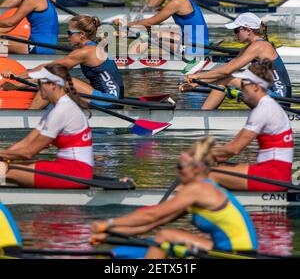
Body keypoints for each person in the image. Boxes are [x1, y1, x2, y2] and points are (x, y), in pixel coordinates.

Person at [90, 137, 258, 259]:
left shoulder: (199, 189)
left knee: (166, 235)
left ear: (196, 168)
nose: (177, 172)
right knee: (162, 236)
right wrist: (111, 234)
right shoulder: (200, 191)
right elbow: (154, 223)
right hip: (224, 250)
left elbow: (152, 214)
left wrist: (110, 223)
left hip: (236, 255)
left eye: (180, 167)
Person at [0, 64, 94, 189]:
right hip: (65, 168)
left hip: (74, 173)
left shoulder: (62, 110)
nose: (38, 87)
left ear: (53, 85)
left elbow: (28, 152)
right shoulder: (55, 109)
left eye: (41, 83)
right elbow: (26, 142)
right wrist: (5, 157)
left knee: (4, 171)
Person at [3, 15, 124, 109]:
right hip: (108, 98)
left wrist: (16, 80)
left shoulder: (85, 52)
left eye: (69, 33)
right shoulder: (93, 46)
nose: (67, 36)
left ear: (82, 35)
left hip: (109, 101)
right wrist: (18, 80)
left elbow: (47, 69)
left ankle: (30, 117)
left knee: (53, 78)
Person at [209, 60, 293, 191]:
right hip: (275, 173)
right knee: (218, 165)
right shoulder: (268, 105)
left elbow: (234, 149)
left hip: (273, 176)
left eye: (244, 84)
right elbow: (227, 153)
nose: (241, 88)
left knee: (208, 173)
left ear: (255, 86)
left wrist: (201, 155)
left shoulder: (263, 109)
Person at [181, 12, 291, 109]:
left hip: (280, 100)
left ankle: (203, 115)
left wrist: (197, 76)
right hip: (267, 96)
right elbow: (225, 70)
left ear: (248, 30)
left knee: (227, 80)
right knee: (230, 78)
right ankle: (203, 114)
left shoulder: (260, 46)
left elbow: (226, 71)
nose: (235, 34)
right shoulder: (249, 47)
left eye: (236, 30)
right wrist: (196, 84)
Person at [115, 0, 209, 58]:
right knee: (154, 30)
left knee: (148, 35)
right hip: (196, 43)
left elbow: (149, 22)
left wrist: (126, 24)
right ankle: (130, 51)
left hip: (195, 49)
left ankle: (129, 61)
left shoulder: (177, 2)